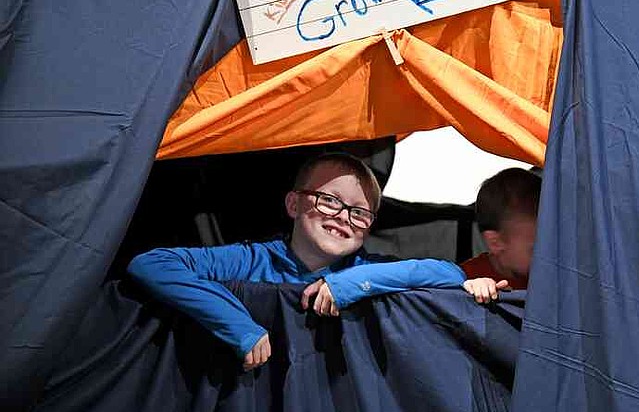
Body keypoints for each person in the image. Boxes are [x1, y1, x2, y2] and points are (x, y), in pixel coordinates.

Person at [128, 153, 466, 371]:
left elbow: (449, 272)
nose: (343, 216)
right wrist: (238, 325)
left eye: (359, 212)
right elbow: (152, 264)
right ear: (294, 204)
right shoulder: (252, 259)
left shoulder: (362, 270)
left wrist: (350, 284)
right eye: (329, 200)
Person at [460, 167, 540, 303]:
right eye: (535, 249)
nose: (547, 255)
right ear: (495, 243)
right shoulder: (468, 275)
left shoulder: (552, 275)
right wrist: (474, 287)